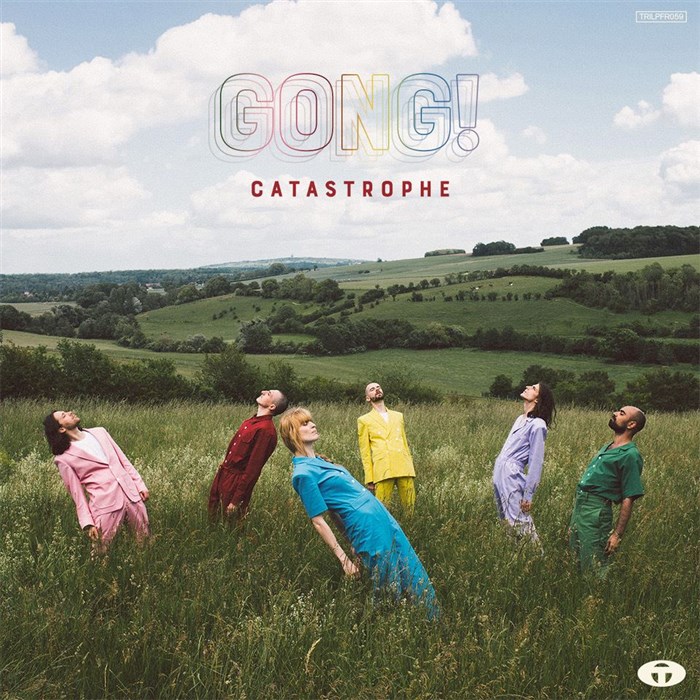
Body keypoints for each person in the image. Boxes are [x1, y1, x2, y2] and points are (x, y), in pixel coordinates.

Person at [281, 407, 438, 618]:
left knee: (408, 564)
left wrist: (350, 541)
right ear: (293, 434)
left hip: (380, 517)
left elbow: (335, 513)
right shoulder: (303, 473)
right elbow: (319, 520)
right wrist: (344, 559)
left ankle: (430, 618)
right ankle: (385, 623)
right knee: (387, 577)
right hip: (366, 524)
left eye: (311, 421)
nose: (313, 425)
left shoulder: (319, 460)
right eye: (305, 423)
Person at [43, 409, 150, 550]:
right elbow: (76, 493)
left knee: (144, 543)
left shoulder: (100, 432)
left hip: (131, 496)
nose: (70, 413)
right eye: (64, 415)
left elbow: (123, 460)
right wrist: (87, 522)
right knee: (101, 551)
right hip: (105, 506)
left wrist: (140, 484)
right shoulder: (63, 459)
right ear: (61, 429)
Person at [568, 405, 646, 574]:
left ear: (631, 424)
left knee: (593, 567)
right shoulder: (608, 446)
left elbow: (629, 497)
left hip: (596, 512)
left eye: (621, 413)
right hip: (580, 507)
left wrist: (617, 534)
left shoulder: (630, 455)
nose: (615, 413)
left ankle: (596, 590)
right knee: (575, 562)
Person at [208, 389, 288, 524]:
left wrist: (236, 499)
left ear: (272, 406)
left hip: (236, 482)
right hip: (224, 474)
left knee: (229, 523)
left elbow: (253, 469)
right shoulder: (250, 422)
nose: (263, 391)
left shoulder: (266, 431)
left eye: (269, 393)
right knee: (213, 517)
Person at [492, 383, 556, 543]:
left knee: (519, 521)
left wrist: (528, 495)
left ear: (538, 399)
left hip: (511, 474)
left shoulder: (538, 425)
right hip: (500, 471)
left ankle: (535, 554)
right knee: (505, 521)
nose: (528, 386)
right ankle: (513, 553)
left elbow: (536, 462)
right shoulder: (520, 419)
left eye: (534, 388)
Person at [357, 382, 416, 515]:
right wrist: (369, 477)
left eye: (378, 387)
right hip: (383, 469)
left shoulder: (398, 416)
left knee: (410, 508)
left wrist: (410, 466)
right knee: (382, 510)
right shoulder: (364, 420)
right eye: (372, 389)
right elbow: (365, 452)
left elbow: (404, 443)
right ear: (367, 398)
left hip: (404, 467)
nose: (376, 390)